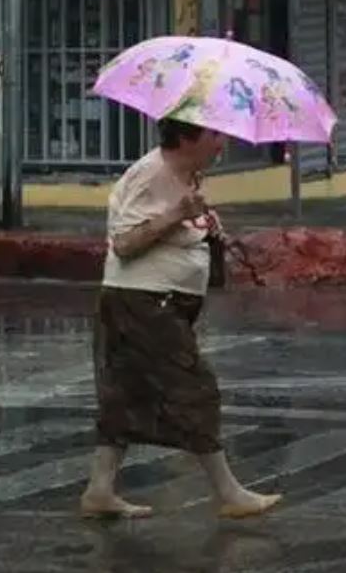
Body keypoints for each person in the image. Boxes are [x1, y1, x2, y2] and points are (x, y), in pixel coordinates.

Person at [79, 119, 283, 520]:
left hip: (159, 302)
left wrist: (203, 228)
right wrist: (177, 214)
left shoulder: (186, 175)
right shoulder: (151, 173)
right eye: (215, 134)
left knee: (127, 394)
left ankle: (99, 490)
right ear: (187, 137)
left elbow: (174, 231)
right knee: (195, 388)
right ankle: (229, 492)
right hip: (142, 302)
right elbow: (125, 243)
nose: (223, 143)